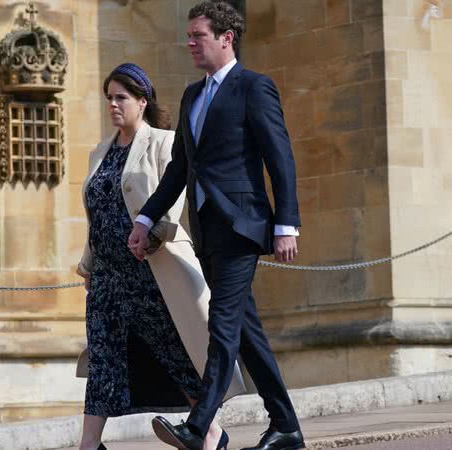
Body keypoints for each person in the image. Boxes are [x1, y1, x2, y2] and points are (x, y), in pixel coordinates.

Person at [127, 3, 306, 450]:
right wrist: (146, 217)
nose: (190, 42)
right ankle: (286, 426)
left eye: (198, 35)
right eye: (188, 35)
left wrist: (287, 225)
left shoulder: (254, 88)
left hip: (243, 227)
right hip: (207, 229)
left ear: (226, 37)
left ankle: (199, 422)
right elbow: (179, 169)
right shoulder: (191, 95)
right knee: (245, 331)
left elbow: (279, 159)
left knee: (223, 325)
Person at [75, 63, 245, 450]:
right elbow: (95, 213)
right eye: (109, 98)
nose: (114, 105)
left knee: (175, 351)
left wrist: (154, 232)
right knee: (102, 358)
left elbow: (172, 199)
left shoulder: (163, 143)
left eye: (121, 98)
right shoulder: (99, 152)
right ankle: (88, 445)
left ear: (141, 101)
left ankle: (210, 432)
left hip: (149, 269)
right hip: (107, 276)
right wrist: (88, 264)